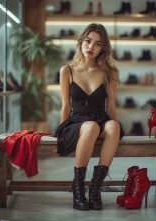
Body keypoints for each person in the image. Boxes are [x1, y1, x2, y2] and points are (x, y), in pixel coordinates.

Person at [54, 23, 124, 210]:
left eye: (97, 43)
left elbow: (110, 105)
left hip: (100, 121)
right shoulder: (67, 71)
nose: (91, 47)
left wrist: (115, 129)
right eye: (88, 41)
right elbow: (66, 106)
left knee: (114, 126)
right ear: (81, 42)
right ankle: (78, 187)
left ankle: (95, 188)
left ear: (103, 48)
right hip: (77, 123)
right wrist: (62, 131)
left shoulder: (110, 72)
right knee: (91, 126)